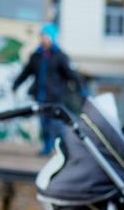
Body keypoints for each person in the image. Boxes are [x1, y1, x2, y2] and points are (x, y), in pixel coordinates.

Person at [12, 23, 85, 156]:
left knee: (58, 125)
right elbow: (26, 72)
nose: (42, 38)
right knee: (44, 124)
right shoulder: (36, 56)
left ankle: (67, 150)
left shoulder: (60, 56)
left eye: (45, 36)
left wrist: (81, 89)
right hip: (41, 96)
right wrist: (16, 84)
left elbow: (72, 75)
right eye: (41, 35)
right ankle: (47, 148)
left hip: (56, 97)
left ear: (52, 38)